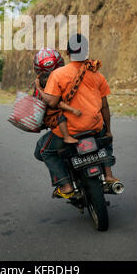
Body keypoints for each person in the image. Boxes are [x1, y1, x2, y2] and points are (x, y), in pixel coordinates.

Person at [34, 33, 118, 198]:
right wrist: (108, 130)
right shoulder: (97, 74)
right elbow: (105, 107)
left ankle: (65, 185)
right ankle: (108, 175)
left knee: (44, 151)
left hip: (69, 130)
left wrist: (39, 88)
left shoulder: (57, 75)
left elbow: (52, 103)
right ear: (86, 52)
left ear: (67, 52)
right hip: (94, 127)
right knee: (106, 139)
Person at [37, 71, 80, 144]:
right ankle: (66, 137)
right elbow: (60, 104)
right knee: (61, 118)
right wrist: (73, 110)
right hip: (53, 116)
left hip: (48, 116)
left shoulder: (43, 93)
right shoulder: (51, 94)